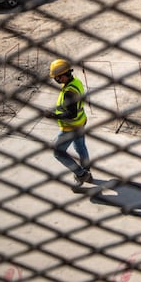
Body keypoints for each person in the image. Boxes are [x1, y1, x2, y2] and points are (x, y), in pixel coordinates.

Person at [44, 59, 92, 188]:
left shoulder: (69, 92)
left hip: (70, 126)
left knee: (58, 152)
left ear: (62, 76)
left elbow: (72, 113)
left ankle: (81, 174)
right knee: (80, 148)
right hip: (81, 122)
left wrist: (54, 115)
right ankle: (87, 172)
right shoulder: (76, 82)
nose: (56, 80)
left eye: (56, 78)